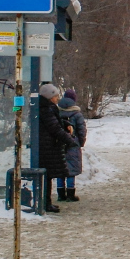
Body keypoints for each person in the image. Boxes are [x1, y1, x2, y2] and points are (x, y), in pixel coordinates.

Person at [37, 83, 77, 213]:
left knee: (48, 176)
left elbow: (56, 122)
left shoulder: (47, 108)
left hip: (47, 146)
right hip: (47, 147)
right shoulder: (46, 109)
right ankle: (45, 202)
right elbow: (54, 128)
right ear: (49, 97)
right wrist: (69, 140)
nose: (57, 98)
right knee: (47, 176)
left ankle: (46, 202)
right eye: (55, 96)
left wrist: (65, 124)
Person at [57, 89, 86, 202]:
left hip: (59, 143)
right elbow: (82, 130)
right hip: (73, 143)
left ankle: (60, 194)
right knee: (71, 170)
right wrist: (80, 142)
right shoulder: (77, 114)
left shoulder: (57, 112)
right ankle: (70, 194)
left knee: (60, 169)